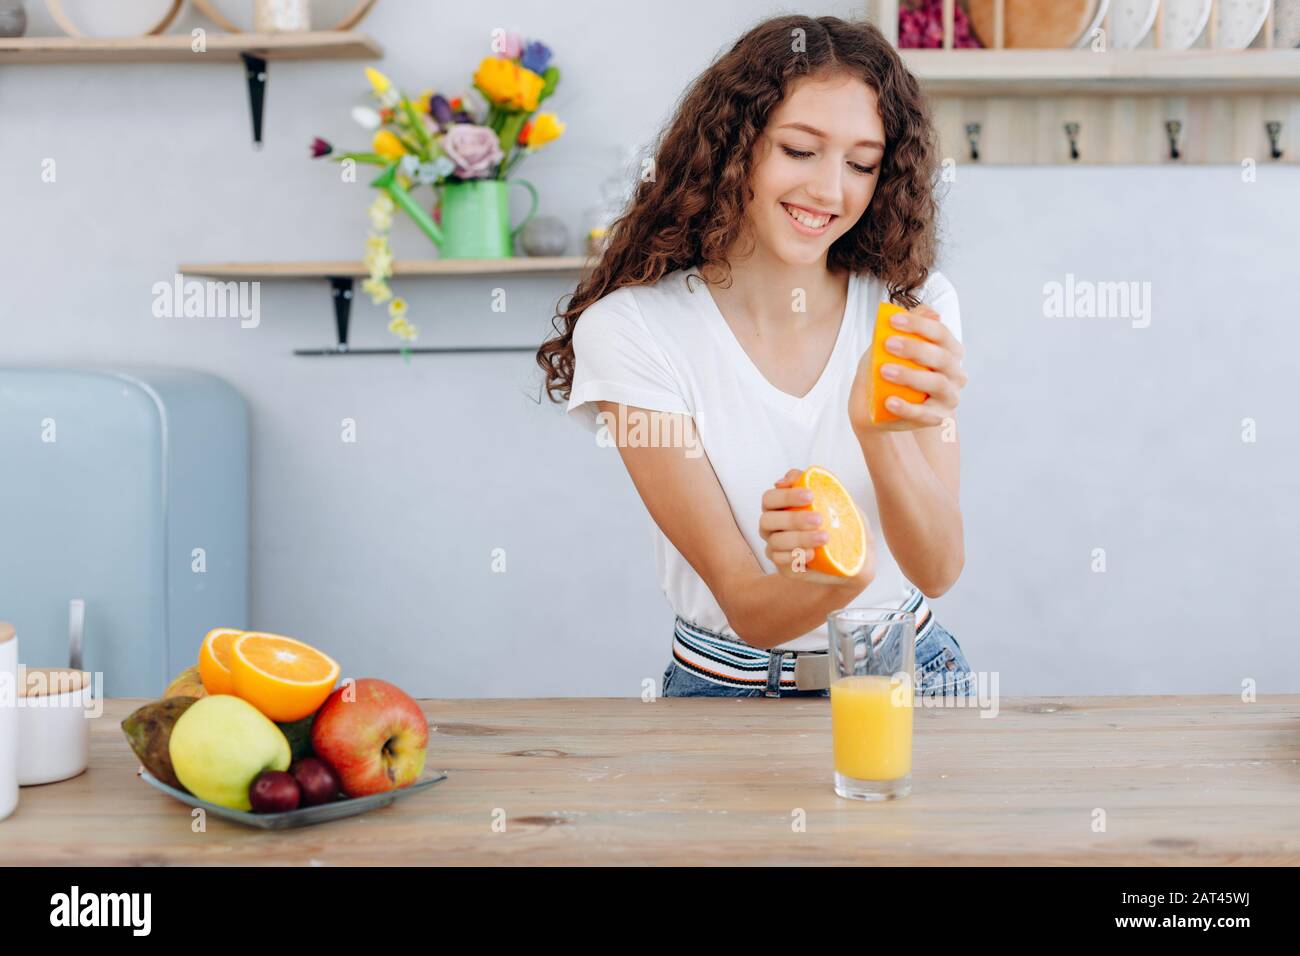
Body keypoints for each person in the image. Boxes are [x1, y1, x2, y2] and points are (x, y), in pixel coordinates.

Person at [536, 14, 973, 699]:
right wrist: (842, 572)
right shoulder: (631, 331)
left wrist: (877, 433)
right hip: (728, 694)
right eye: (800, 150)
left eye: (862, 163)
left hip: (913, 677)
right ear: (730, 147)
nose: (832, 191)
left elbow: (940, 567)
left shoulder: (911, 306)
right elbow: (749, 605)